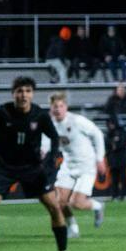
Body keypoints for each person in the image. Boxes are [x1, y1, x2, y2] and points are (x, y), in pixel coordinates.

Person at [0, 76, 70, 251]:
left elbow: (54, 138)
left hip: (32, 168)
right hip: (4, 167)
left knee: (54, 207)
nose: (23, 95)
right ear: (13, 93)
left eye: (28, 91)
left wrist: (49, 161)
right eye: (19, 91)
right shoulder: (2, 112)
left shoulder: (40, 115)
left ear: (32, 94)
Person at [46, 92, 107, 239]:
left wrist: (100, 158)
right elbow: (45, 144)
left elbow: (97, 134)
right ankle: (73, 229)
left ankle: (98, 206)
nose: (58, 109)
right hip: (68, 165)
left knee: (77, 203)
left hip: (86, 165)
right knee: (59, 202)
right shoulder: (50, 125)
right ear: (51, 108)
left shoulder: (77, 121)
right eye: (55, 106)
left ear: (66, 107)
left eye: (61, 106)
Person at [105, 116, 126, 201]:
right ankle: (114, 195)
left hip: (121, 159)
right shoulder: (108, 133)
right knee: (114, 179)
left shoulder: (121, 132)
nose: (110, 125)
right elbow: (107, 145)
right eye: (109, 124)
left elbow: (124, 143)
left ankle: (123, 195)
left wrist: (116, 145)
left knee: (123, 178)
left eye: (111, 123)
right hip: (113, 160)